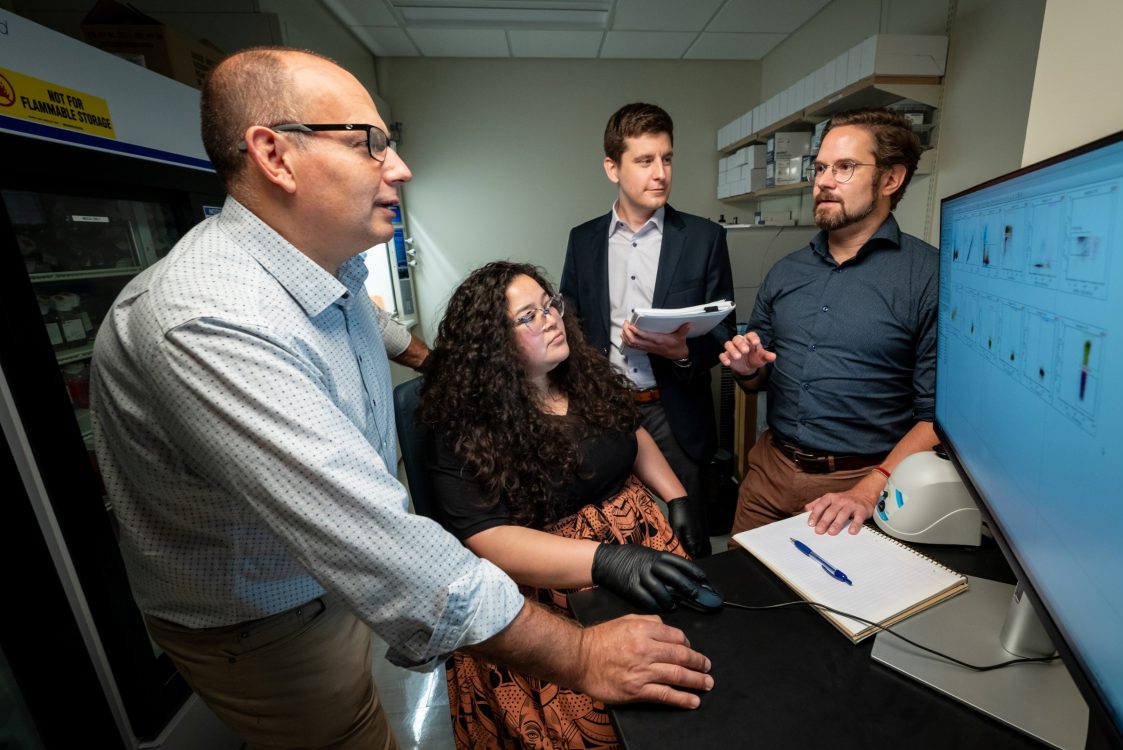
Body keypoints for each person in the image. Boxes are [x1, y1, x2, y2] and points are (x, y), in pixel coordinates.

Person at [89, 46, 712, 750]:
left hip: (334, 577)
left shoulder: (336, 270)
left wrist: (448, 366)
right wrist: (580, 653)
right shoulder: (210, 320)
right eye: (370, 144)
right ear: (274, 154)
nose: (400, 168)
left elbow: (386, 334)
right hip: (268, 615)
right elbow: (372, 541)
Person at [420, 261, 712, 749]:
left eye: (550, 305)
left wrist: (676, 496)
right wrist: (606, 559)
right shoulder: (461, 426)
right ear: (492, 343)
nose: (552, 318)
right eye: (529, 316)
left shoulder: (582, 376)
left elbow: (630, 432)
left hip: (639, 558)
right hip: (552, 603)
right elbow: (487, 537)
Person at [720, 107, 938, 538]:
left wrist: (868, 488)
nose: (822, 181)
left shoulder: (927, 277)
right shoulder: (785, 271)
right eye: (820, 168)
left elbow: (935, 419)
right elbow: (757, 377)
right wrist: (748, 369)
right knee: (740, 596)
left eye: (845, 168)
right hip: (768, 474)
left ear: (891, 180)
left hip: (855, 489)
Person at [561, 103, 735, 555]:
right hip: (605, 411)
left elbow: (723, 333)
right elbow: (572, 325)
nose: (661, 173)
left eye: (668, 158)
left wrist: (680, 352)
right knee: (616, 530)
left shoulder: (704, 239)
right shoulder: (583, 240)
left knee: (691, 540)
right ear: (611, 167)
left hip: (674, 411)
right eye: (645, 161)